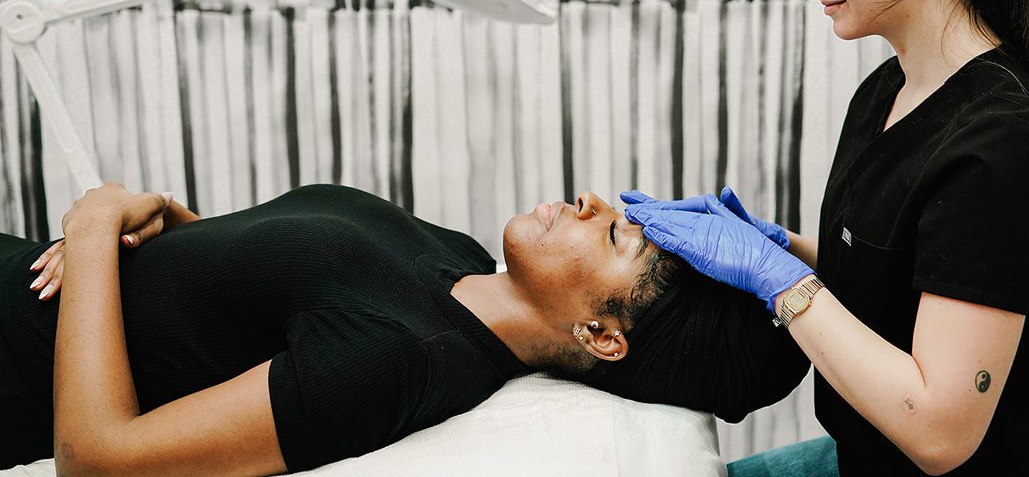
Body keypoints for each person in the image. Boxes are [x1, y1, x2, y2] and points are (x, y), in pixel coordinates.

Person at [625, 0, 1029, 476]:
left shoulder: (1003, 150)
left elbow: (938, 432)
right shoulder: (886, 92)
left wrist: (781, 283)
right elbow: (899, 275)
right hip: (860, 455)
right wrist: (776, 247)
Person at [0, 182, 809, 474]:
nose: (597, 200)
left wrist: (97, 222)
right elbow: (229, 310)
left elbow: (98, 459)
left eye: (615, 238)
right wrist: (171, 220)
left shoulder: (394, 359)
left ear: (602, 336)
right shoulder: (455, 262)